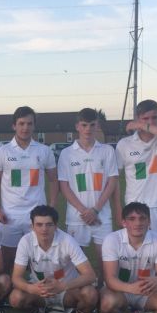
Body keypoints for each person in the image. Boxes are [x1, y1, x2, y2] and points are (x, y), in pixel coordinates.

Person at [9, 205, 99, 313]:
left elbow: (90, 275)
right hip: (40, 292)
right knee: (15, 298)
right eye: (39, 225)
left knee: (90, 294)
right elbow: (16, 277)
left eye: (49, 224)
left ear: (56, 226)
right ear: (32, 226)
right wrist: (31, 288)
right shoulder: (25, 241)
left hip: (67, 291)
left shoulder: (67, 241)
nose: (44, 229)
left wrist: (63, 286)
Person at [0, 106, 58, 272]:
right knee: (7, 261)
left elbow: (54, 180)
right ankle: (9, 288)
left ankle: (35, 287)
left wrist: (51, 207)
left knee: (38, 261)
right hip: (10, 215)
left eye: (29, 123)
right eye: (21, 123)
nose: (25, 128)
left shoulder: (44, 151)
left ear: (34, 126)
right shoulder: (2, 152)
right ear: (14, 125)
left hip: (37, 216)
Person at [57, 108, 119, 278]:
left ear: (97, 126)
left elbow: (112, 182)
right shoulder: (66, 153)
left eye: (92, 125)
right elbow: (64, 186)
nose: (88, 129)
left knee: (105, 262)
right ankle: (81, 292)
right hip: (77, 217)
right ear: (77, 126)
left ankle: (103, 288)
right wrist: (85, 211)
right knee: (75, 264)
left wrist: (95, 210)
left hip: (102, 216)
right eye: (84, 125)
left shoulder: (107, 150)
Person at [115, 99, 157, 241]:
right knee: (135, 248)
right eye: (145, 118)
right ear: (138, 118)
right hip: (134, 205)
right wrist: (118, 209)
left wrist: (142, 125)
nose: (151, 122)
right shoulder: (124, 144)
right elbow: (115, 179)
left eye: (154, 117)